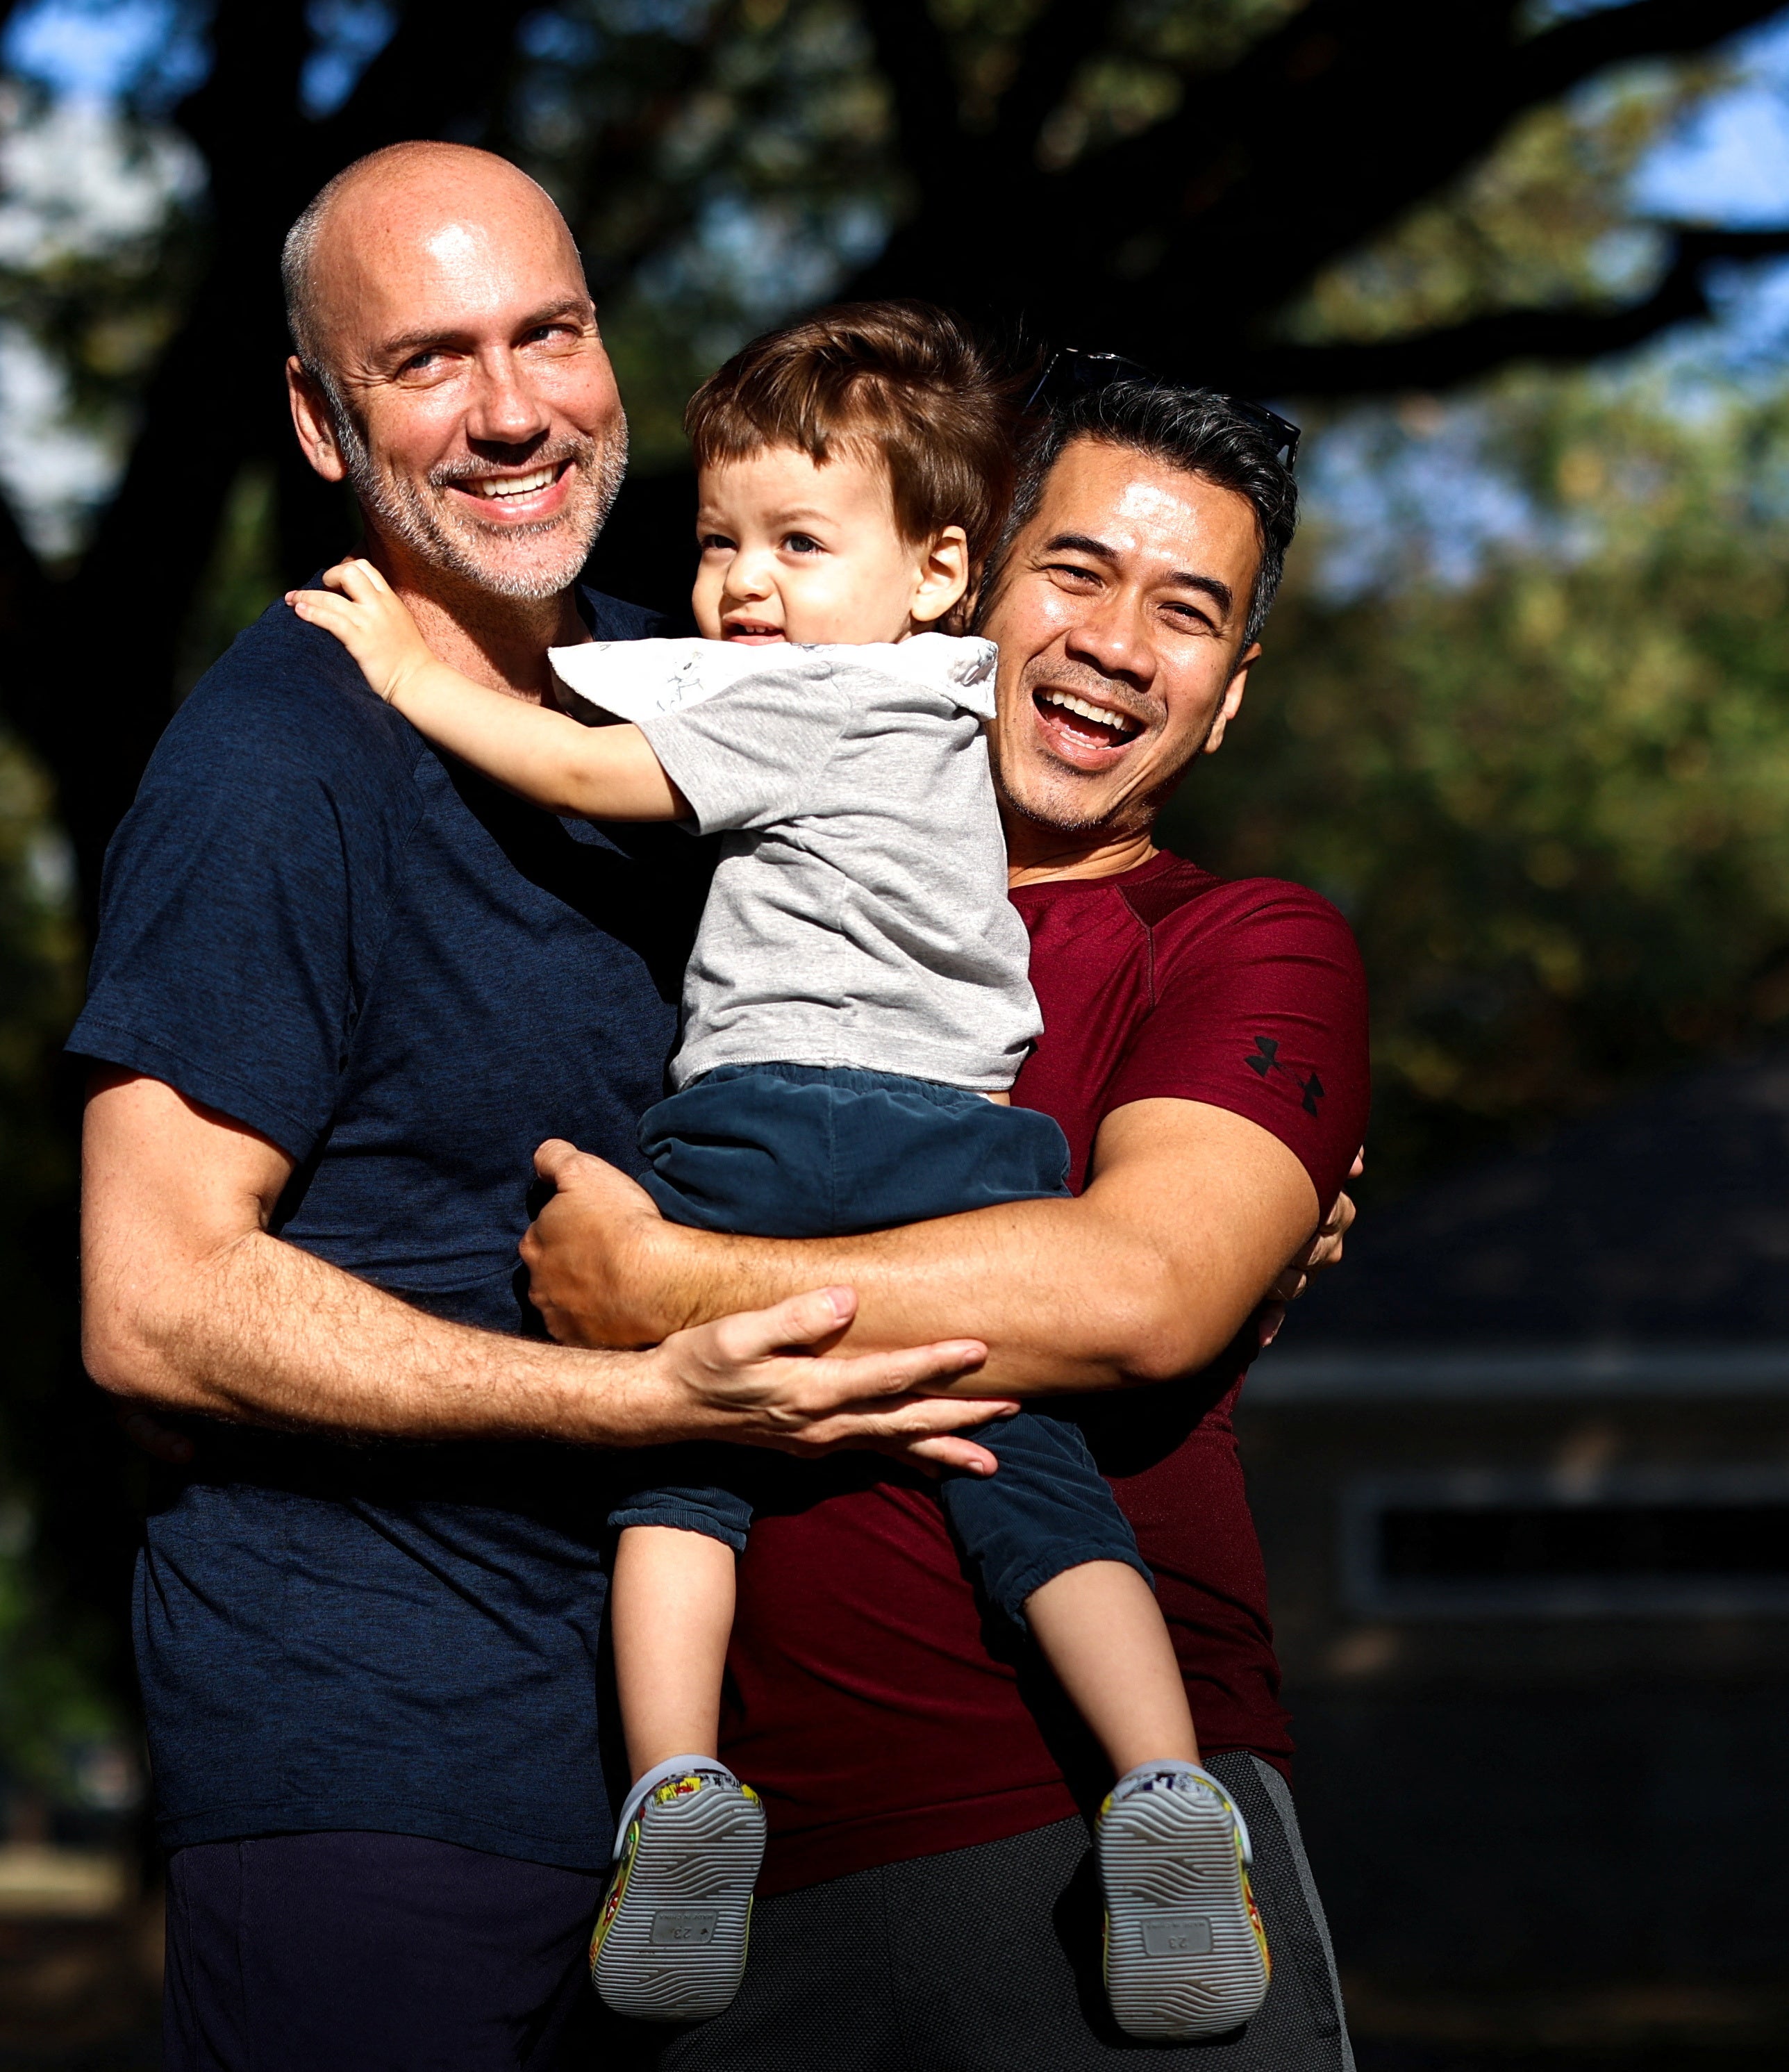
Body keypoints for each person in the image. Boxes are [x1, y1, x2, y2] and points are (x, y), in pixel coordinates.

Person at [69, 143, 1023, 2072]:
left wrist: (1218, 1168)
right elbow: (153, 1301)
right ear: (321, 425)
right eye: (426, 362)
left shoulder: (706, 697)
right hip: (382, 1762)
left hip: (712, 1777)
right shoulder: (281, 752)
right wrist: (644, 1401)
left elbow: (897, 1007)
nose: (510, 412)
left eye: (549, 334)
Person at [289, 303, 1265, 2043]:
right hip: (966, 1159)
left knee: (680, 1461)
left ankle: (674, 1786)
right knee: (1032, 1478)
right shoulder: (968, 694)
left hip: (757, 1129)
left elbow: (586, 756)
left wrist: (408, 673)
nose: (740, 587)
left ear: (935, 566)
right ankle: (1163, 1781)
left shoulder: (793, 701)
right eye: (718, 544)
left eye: (793, 544)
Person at [517, 360, 1370, 2070]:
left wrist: (664, 1284)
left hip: (1086, 1844)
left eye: (1184, 611)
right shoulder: (724, 883)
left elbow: (1137, 1291)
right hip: (722, 1878)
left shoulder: (1242, 943)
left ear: (1229, 693)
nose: (1119, 643)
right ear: (964, 580)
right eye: (1073, 573)